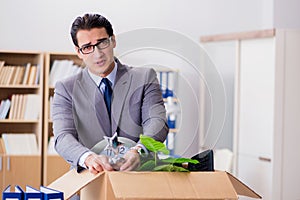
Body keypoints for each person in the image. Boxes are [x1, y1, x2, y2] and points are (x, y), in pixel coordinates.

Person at [52, 13, 169, 174]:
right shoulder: (66, 89)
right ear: (78, 52)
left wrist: (140, 151)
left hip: (138, 179)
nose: (98, 54)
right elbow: (63, 137)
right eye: (87, 47)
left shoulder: (144, 77)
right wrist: (88, 158)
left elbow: (157, 122)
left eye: (102, 43)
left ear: (113, 40)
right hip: (90, 181)